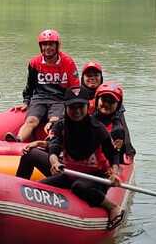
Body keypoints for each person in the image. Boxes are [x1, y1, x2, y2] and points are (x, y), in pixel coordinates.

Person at [16, 93, 123, 228]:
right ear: (66, 108)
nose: (77, 111)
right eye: (72, 107)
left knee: (79, 187)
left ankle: (113, 207)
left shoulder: (98, 129)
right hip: (68, 173)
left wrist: (114, 172)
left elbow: (113, 154)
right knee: (38, 186)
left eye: (80, 107)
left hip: (95, 176)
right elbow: (54, 148)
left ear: (86, 107)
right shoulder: (61, 126)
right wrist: (55, 163)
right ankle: (17, 190)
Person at [8, 28, 79, 143]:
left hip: (59, 99)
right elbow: (30, 86)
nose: (48, 48)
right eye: (44, 45)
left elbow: (75, 87)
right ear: (41, 47)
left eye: (51, 44)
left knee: (54, 120)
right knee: (31, 120)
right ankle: (18, 139)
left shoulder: (68, 62)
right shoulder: (34, 63)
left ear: (57, 46)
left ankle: (52, 139)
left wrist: (73, 105)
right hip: (39, 99)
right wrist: (26, 102)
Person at [91, 81, 135, 157]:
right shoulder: (87, 120)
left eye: (111, 101)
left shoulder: (117, 129)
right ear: (97, 101)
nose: (107, 104)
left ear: (118, 106)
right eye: (104, 100)